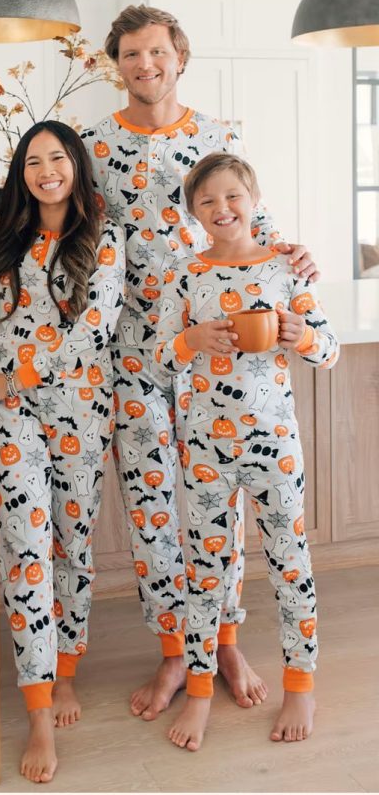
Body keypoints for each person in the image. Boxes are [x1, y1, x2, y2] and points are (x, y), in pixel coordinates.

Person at [80, 3, 320, 719]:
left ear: (180, 56)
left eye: (157, 52)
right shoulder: (91, 145)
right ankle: (174, 656)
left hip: (221, 355)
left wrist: (294, 253)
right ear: (115, 64)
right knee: (155, 509)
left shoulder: (221, 135)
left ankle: (223, 643)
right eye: (130, 55)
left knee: (220, 509)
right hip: (133, 353)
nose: (145, 65)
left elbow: (253, 221)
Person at [0, 120, 125, 783]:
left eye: (57, 158)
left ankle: (68, 671)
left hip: (81, 410)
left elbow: (94, 329)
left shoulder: (108, 237)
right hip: (10, 415)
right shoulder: (6, 236)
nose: (46, 169)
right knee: (27, 549)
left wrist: (15, 375)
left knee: (71, 546)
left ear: (76, 165)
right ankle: (37, 710)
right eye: (31, 161)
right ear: (18, 173)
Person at [151, 151, 338, 750]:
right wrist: (189, 339)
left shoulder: (287, 270)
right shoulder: (184, 273)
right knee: (205, 576)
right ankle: (201, 692)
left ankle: (300, 685)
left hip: (275, 448)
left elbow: (327, 351)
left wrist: (301, 335)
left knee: (290, 566)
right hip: (203, 449)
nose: (221, 208)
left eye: (232, 196)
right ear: (194, 213)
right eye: (206, 201)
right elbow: (156, 358)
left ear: (254, 199)